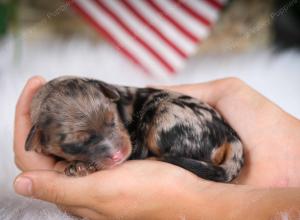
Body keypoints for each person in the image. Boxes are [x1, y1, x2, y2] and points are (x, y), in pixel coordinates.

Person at [13, 76, 300, 219]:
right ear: (40, 143)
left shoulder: (112, 98)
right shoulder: (44, 134)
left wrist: (199, 199)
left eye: (112, 123)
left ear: (108, 96)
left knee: (162, 117)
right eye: (82, 141)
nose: (114, 150)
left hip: (195, 129)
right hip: (206, 140)